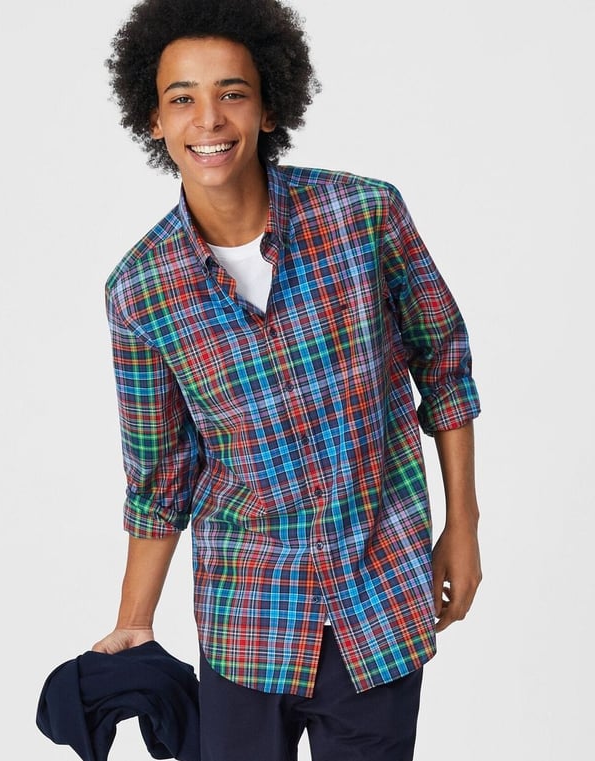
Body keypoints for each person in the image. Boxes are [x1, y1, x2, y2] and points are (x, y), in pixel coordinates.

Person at [93, 1, 482, 758]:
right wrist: (135, 619)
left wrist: (462, 525)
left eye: (232, 92)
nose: (209, 118)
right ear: (154, 120)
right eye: (182, 98)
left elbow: (443, 362)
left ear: (269, 107)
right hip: (247, 621)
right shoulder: (140, 291)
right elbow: (161, 473)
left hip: (378, 604)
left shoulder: (365, 215)